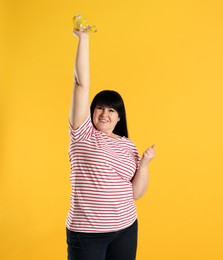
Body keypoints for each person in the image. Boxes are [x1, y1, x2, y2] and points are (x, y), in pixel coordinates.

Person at [66, 26, 155, 260]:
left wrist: (144, 164)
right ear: (92, 112)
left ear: (119, 117)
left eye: (112, 110)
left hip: (126, 228)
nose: (105, 113)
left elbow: (136, 193)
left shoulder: (128, 145)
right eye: (100, 107)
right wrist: (83, 39)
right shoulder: (82, 133)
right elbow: (80, 85)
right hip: (88, 233)